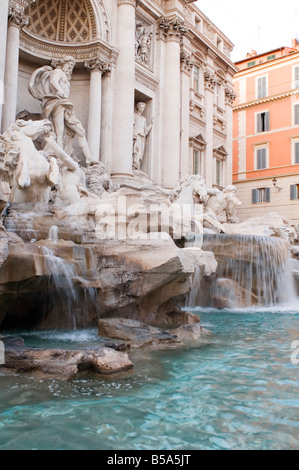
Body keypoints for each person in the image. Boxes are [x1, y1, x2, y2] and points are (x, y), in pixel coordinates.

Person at [29, 56, 96, 164]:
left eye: (72, 66)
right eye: (69, 65)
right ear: (63, 63)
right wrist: (60, 91)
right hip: (58, 102)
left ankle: (88, 157)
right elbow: (53, 81)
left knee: (81, 131)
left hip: (65, 105)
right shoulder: (58, 71)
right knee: (59, 131)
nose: (70, 67)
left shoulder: (65, 75)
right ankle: (59, 157)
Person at [132, 102, 154, 171]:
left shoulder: (144, 119)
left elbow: (145, 131)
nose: (142, 109)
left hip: (142, 138)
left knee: (140, 154)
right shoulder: (134, 115)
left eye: (143, 108)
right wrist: (134, 134)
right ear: (138, 107)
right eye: (141, 107)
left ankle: (137, 166)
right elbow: (132, 125)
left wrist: (151, 124)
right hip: (136, 136)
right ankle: (133, 165)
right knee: (135, 151)